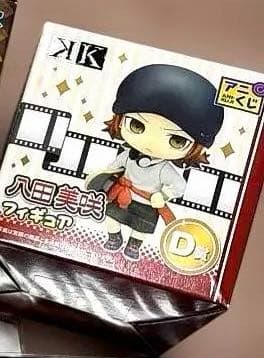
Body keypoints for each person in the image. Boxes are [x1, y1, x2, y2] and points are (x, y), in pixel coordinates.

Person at [86, 64, 224, 261]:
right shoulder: (128, 155)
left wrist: (163, 195)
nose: (151, 143)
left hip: (147, 203)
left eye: (177, 140)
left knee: (140, 228)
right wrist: (102, 177)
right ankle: (114, 238)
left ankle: (134, 246)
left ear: (195, 146)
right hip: (121, 195)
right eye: (137, 125)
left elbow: (179, 186)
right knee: (111, 218)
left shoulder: (164, 169)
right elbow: (113, 168)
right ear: (120, 120)